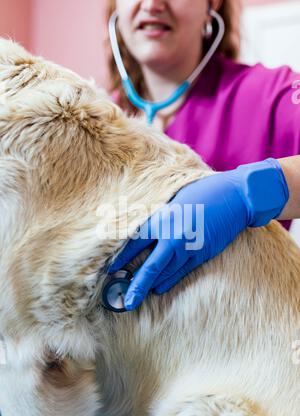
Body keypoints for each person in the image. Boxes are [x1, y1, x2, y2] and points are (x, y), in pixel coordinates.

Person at [106, 0, 300, 311]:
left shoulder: (269, 93)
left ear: (213, 5)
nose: (153, 4)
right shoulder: (94, 120)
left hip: (238, 342)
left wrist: (248, 193)